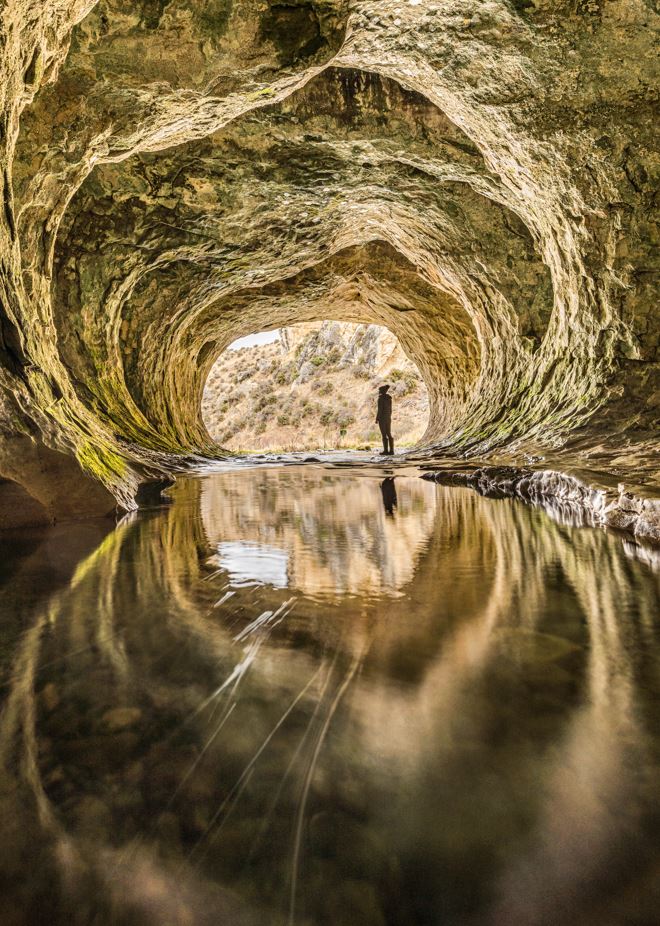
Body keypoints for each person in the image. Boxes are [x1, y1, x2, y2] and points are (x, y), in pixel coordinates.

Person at [376, 384, 394, 455]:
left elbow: (380, 410)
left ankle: (385, 451)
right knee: (389, 434)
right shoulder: (389, 399)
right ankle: (391, 451)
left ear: (382, 391)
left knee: (384, 435)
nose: (379, 391)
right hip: (388, 418)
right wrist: (388, 416)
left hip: (382, 418)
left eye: (380, 390)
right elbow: (390, 410)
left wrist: (377, 418)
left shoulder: (380, 399)